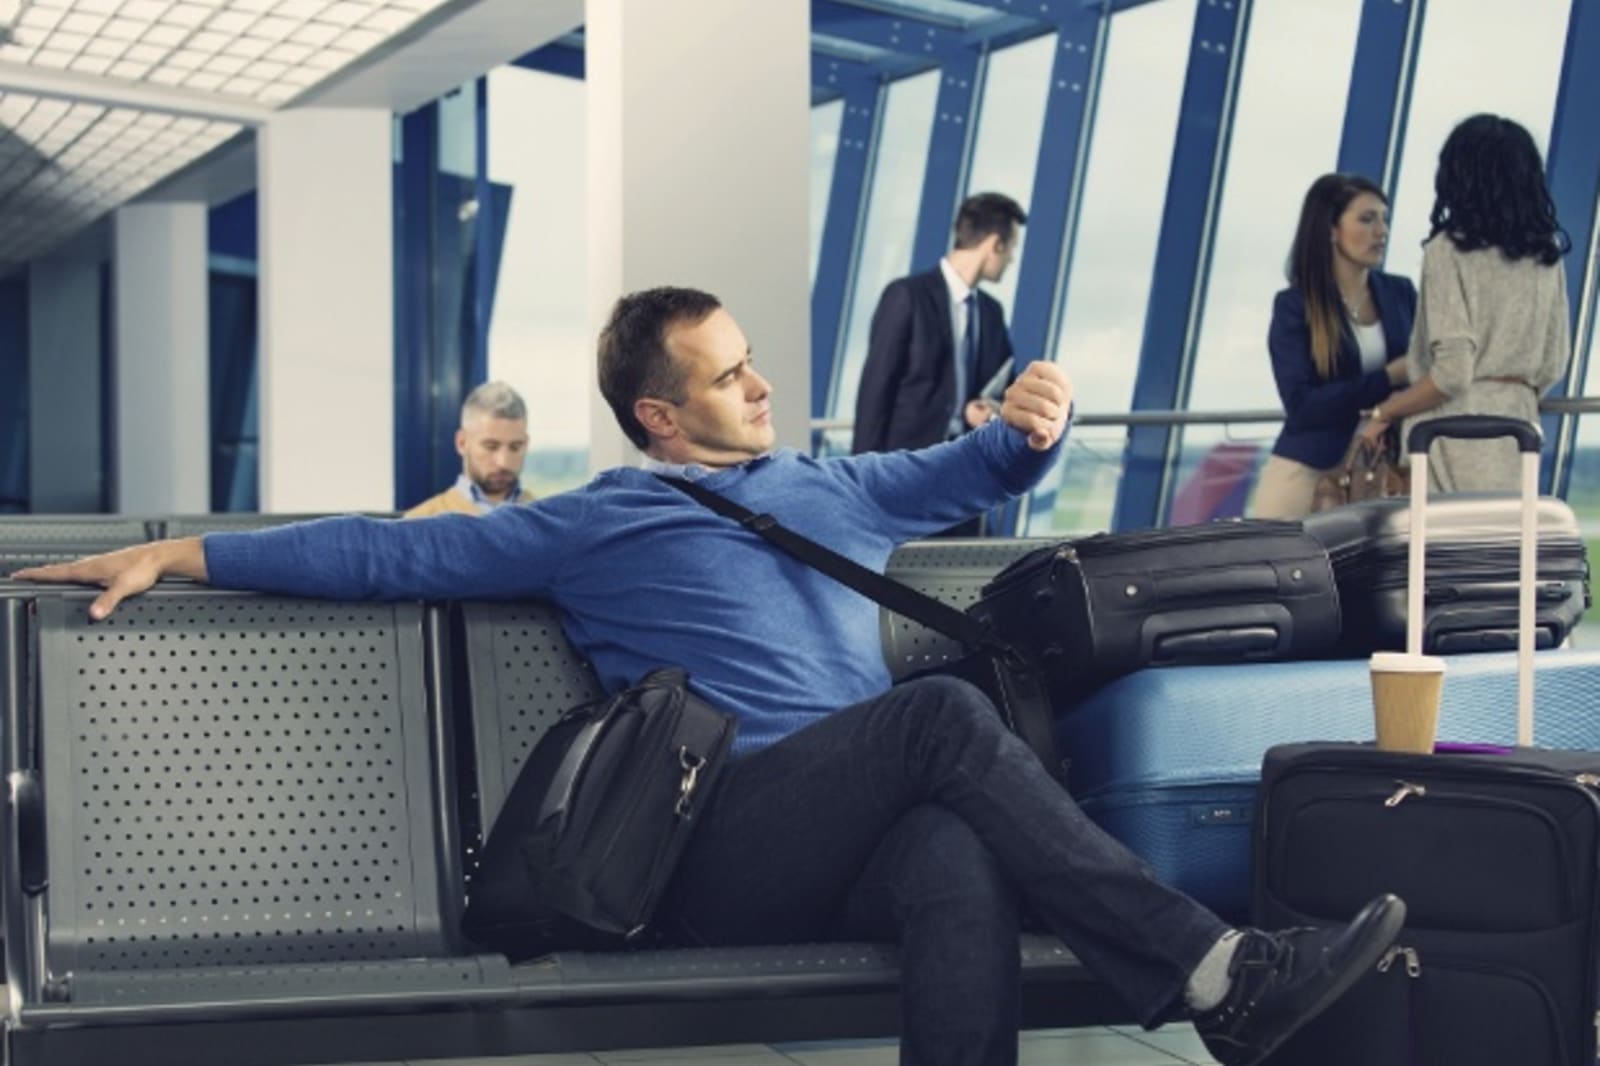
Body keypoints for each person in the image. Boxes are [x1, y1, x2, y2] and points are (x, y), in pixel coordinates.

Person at [17, 287, 1404, 1066]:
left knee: (947, 855)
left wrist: (1036, 423)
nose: (758, 387)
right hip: (712, 840)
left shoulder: (828, 483)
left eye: (753, 364)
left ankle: (1215, 980)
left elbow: (977, 463)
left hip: (852, 826)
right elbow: (386, 558)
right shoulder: (595, 517)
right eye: (729, 377)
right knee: (933, 718)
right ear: (658, 414)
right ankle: (1223, 973)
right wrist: (187, 552)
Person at [1357, 114, 1571, 490]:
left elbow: (1452, 372)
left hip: (1449, 438)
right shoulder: (1545, 255)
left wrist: (1384, 412)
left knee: (1441, 547)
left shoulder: (1448, 251)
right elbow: (1554, 362)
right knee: (1507, 547)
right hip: (1518, 434)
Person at [1254, 174, 1415, 519]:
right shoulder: (1295, 306)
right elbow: (1303, 405)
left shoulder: (1401, 294)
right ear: (1330, 229)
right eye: (1367, 219)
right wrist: (1388, 377)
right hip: (1309, 472)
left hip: (1383, 472)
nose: (1382, 231)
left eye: (1384, 219)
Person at [851, 192, 1026, 457]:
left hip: (965, 466)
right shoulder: (907, 296)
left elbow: (1007, 387)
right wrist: (862, 475)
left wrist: (985, 408)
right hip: (906, 465)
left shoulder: (991, 313)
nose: (1012, 259)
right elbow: (875, 391)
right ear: (995, 245)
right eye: (1012, 247)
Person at [404, 380, 536, 517]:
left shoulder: (548, 521)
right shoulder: (418, 522)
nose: (503, 462)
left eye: (515, 447)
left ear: (526, 444)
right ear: (462, 443)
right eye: (491, 447)